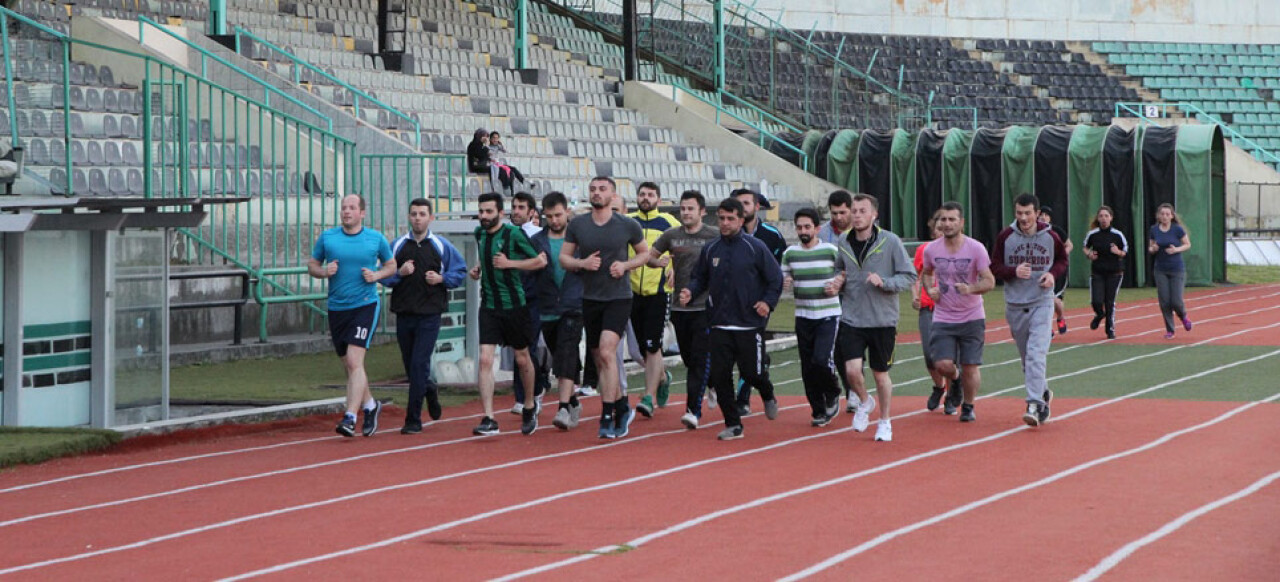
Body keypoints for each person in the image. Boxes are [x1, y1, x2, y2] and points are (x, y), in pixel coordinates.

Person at [682, 197, 783, 441]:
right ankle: (733, 423)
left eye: (730, 219)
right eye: (722, 219)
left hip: (749, 323)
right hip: (718, 323)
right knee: (720, 374)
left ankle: (767, 392)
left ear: (740, 220)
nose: (725, 223)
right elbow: (700, 278)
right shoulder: (711, 249)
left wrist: (766, 303)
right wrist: (690, 291)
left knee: (752, 373)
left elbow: (775, 279)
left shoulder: (755, 247)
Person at [559, 176, 651, 439]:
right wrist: (582, 263)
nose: (596, 193)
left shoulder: (627, 224)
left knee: (608, 351)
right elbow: (564, 258)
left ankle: (607, 414)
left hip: (619, 298)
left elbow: (645, 253)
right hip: (591, 298)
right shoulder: (578, 225)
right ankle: (622, 405)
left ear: (613, 194)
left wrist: (625, 266)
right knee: (600, 357)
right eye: (593, 189)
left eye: (602, 189)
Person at [826, 193, 916, 442]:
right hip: (852, 317)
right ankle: (865, 401)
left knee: (880, 374)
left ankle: (885, 421)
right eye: (854, 211)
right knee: (852, 371)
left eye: (862, 211)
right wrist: (837, 283)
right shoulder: (844, 241)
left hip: (882, 320)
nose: (856, 215)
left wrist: (885, 282)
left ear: (874, 214)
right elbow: (839, 269)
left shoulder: (890, 241)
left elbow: (909, 276)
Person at [307, 194, 397, 437]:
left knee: (355, 361)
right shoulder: (328, 237)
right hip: (337, 307)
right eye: (344, 208)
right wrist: (324, 272)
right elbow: (312, 265)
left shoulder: (375, 238)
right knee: (349, 364)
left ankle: (350, 417)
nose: (346, 211)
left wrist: (377, 276)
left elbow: (392, 265)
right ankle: (370, 405)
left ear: (362, 213)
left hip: (365, 305)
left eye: (352, 208)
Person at [382, 198, 467, 434]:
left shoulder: (441, 246)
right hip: (404, 312)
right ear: (409, 217)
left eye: (422, 214)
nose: (417, 218)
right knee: (411, 366)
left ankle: (413, 418)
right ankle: (429, 388)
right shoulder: (397, 245)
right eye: (413, 214)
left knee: (420, 363)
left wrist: (442, 279)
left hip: (430, 314)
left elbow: (459, 270)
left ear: (430, 218)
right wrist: (399, 273)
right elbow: (383, 273)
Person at [468, 192, 547, 436]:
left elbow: (540, 261)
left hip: (515, 305)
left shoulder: (513, 234)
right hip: (489, 306)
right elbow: (486, 256)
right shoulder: (479, 234)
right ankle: (489, 418)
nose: (484, 216)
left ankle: (530, 404)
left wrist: (511, 264)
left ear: (500, 213)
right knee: (484, 359)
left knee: (522, 358)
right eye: (481, 211)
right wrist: (479, 268)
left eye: (489, 212)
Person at [991, 194, 1068, 427]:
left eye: (1027, 213)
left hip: (1042, 302)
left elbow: (1062, 261)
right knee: (1027, 360)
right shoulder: (1006, 236)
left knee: (1036, 354)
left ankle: (1034, 403)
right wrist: (1013, 271)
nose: (1023, 218)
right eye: (1019, 213)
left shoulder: (1050, 236)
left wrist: (1051, 275)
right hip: (1015, 304)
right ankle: (1042, 391)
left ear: (1037, 214)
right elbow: (994, 266)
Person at [648, 190, 718, 429]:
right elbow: (650, 256)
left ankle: (692, 411)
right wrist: (661, 264)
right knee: (689, 357)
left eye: (691, 209)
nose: (686, 213)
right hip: (680, 307)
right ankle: (711, 382)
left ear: (702, 212)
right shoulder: (671, 235)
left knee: (699, 359)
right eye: (683, 208)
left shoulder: (713, 236)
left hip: (704, 307)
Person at [920, 202, 995, 423]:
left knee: (971, 365)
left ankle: (969, 406)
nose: (947, 223)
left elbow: (989, 281)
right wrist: (929, 289)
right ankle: (955, 378)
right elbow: (926, 273)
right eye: (943, 219)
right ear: (938, 222)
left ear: (961, 223)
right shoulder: (932, 249)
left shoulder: (975, 248)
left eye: (952, 219)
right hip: (943, 315)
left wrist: (971, 288)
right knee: (941, 364)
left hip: (971, 315)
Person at [781, 207, 843, 428]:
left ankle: (833, 391)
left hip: (827, 314)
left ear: (817, 228)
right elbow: (784, 275)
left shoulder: (830, 251)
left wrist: (837, 284)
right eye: (799, 227)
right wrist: (785, 281)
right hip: (803, 314)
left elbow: (844, 273)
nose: (803, 231)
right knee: (807, 366)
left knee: (821, 359)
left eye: (807, 227)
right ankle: (818, 410)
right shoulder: (790, 253)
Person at [529, 191, 586, 430]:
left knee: (566, 351)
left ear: (567, 213)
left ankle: (562, 408)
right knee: (560, 354)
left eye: (558, 215)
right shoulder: (537, 242)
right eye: (549, 216)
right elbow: (528, 270)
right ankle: (572, 399)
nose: (554, 220)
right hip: (548, 307)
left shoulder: (580, 240)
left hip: (574, 305)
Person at [730, 188, 786, 416]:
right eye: (737, 203)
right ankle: (762, 362)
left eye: (745, 202)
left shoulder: (772, 236)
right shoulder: (728, 235)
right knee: (735, 348)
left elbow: (778, 272)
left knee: (747, 349)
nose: (741, 207)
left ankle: (742, 399)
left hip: (760, 303)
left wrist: (768, 299)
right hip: (733, 301)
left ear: (757, 207)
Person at [627, 182, 678, 418]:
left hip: (658, 292)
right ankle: (662, 376)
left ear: (659, 198)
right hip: (632, 292)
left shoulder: (669, 223)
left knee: (653, 345)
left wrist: (674, 269)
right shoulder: (628, 222)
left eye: (650, 194)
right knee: (640, 349)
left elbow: (683, 248)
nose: (645, 198)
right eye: (642, 194)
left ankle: (648, 396)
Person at [914, 210, 962, 415]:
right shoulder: (924, 250)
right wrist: (915, 295)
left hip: (952, 309)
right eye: (938, 226)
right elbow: (917, 276)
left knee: (950, 357)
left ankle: (952, 393)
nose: (942, 230)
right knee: (929, 354)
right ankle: (938, 387)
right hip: (928, 307)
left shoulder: (961, 248)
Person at [507, 191, 549, 415]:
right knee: (518, 347)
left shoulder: (539, 236)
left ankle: (532, 392)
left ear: (532, 212)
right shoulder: (506, 233)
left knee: (529, 346)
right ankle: (524, 394)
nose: (516, 211)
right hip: (512, 298)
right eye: (514, 207)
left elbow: (543, 264)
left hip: (534, 298)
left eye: (521, 208)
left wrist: (513, 264)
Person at [818, 189, 858, 407]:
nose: (838, 218)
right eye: (834, 213)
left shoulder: (861, 230)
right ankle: (850, 389)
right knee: (840, 345)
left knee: (855, 344)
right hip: (833, 296)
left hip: (858, 295)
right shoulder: (823, 234)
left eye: (843, 212)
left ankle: (855, 386)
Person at [1148, 203, 1194, 339]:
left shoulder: (1177, 229)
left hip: (1176, 269)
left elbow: (1187, 244)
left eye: (1167, 214)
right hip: (1160, 269)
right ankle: (1170, 329)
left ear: (1172, 216)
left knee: (1176, 301)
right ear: (1158, 216)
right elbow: (1151, 247)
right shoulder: (1154, 229)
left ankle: (1183, 316)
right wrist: (1153, 249)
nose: (1164, 216)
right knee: (1164, 301)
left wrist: (1176, 250)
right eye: (1162, 214)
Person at [1082, 205, 1128, 339]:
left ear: (1111, 218)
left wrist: (1118, 252)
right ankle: (1099, 314)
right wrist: (1089, 254)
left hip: (1115, 272)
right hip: (1097, 271)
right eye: (1101, 216)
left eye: (1106, 216)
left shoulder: (1117, 235)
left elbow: (1125, 251)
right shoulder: (1093, 234)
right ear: (1098, 218)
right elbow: (1085, 247)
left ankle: (1110, 329)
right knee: (1096, 301)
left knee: (1110, 302)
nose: (1103, 218)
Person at [1038, 205, 1073, 335]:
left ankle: (1060, 317)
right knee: (1044, 299)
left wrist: (1061, 256)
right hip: (1042, 270)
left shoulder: (1056, 231)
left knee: (1055, 299)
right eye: (1041, 214)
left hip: (1058, 271)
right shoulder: (1033, 233)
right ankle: (1048, 327)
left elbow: (1070, 245)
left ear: (1050, 218)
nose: (1043, 217)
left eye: (1046, 215)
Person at [466, 129, 524, 193]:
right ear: (479, 136)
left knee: (510, 169)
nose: (485, 138)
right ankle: (496, 187)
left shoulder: (482, 145)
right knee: (496, 169)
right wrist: (486, 147)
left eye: (486, 136)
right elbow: (482, 155)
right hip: (476, 166)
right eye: (484, 136)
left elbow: (488, 155)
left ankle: (516, 184)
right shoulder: (473, 145)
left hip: (485, 164)